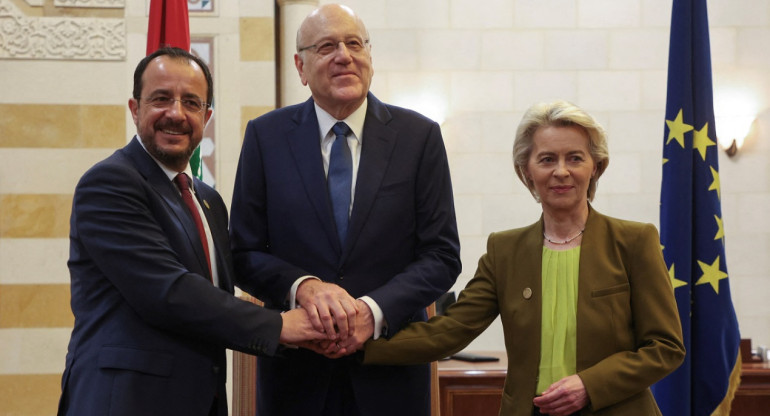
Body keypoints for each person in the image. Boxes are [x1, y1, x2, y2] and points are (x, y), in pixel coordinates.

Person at [362, 100, 685, 416]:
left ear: (596, 166)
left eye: (575, 158)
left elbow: (665, 347)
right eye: (546, 159)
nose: (561, 172)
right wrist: (358, 344)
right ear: (526, 171)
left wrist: (590, 385)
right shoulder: (505, 251)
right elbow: (447, 332)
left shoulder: (634, 241)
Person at [58, 47, 324, 416]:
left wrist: (310, 292)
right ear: (135, 109)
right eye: (161, 99)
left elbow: (219, 295)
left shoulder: (208, 200)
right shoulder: (110, 183)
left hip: (201, 399)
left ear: (207, 116)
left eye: (191, 102)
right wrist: (280, 325)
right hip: (125, 401)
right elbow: (168, 292)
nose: (176, 114)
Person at [229, 4, 461, 415]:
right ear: (301, 67)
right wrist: (303, 286)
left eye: (354, 43)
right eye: (326, 46)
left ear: (369, 59)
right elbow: (243, 253)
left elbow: (441, 255)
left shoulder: (418, 137)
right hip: (296, 378)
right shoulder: (266, 137)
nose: (344, 55)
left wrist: (371, 313)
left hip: (391, 375)